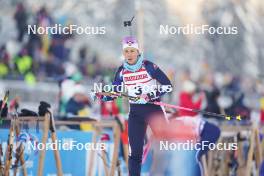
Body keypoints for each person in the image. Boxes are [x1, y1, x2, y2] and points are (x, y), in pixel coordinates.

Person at [92, 36, 172, 176]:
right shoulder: (121, 71)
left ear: (137, 51)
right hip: (135, 112)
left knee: (166, 146)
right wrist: (102, 96)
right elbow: (115, 93)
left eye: (132, 51)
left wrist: (151, 95)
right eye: (126, 51)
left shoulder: (148, 66)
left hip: (153, 109)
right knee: (134, 152)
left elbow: (168, 86)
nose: (129, 54)